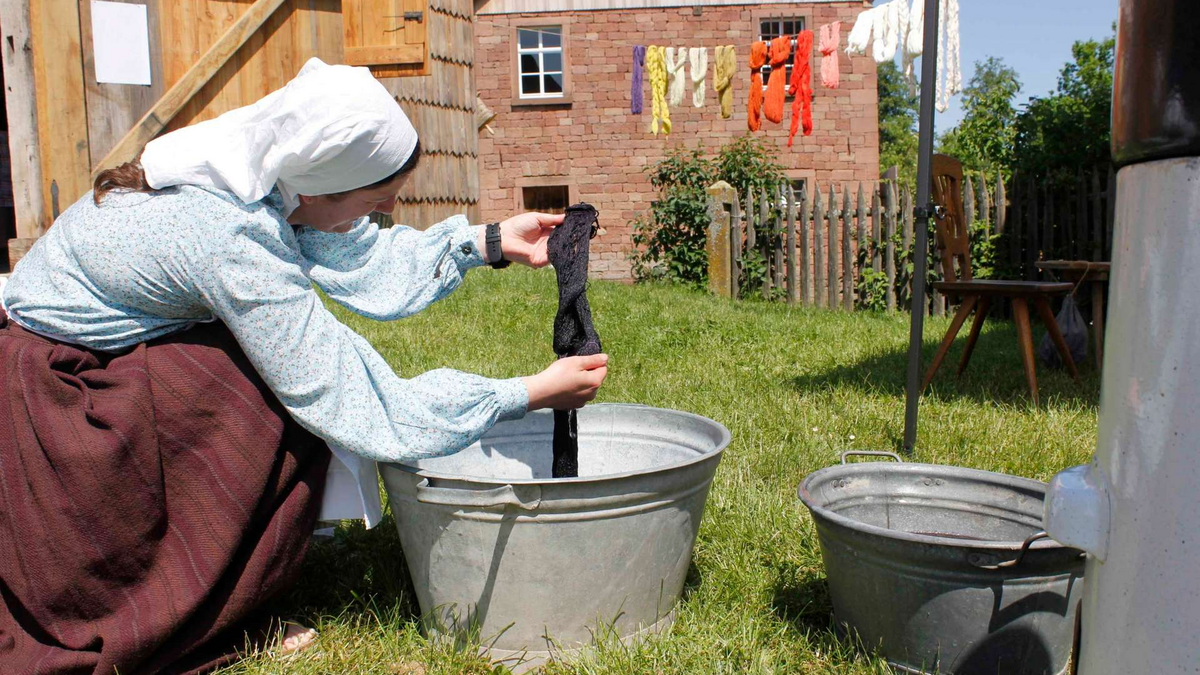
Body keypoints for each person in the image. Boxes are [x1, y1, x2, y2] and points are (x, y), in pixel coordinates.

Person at [0, 58, 608, 673]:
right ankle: (185, 606)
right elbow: (355, 398)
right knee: (264, 402)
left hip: (87, 356)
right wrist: (526, 393)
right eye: (376, 200)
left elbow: (353, 252)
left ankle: (224, 584)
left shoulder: (250, 175)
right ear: (317, 190)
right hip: (60, 399)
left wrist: (488, 242)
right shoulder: (228, 232)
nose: (381, 212)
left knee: (264, 370)